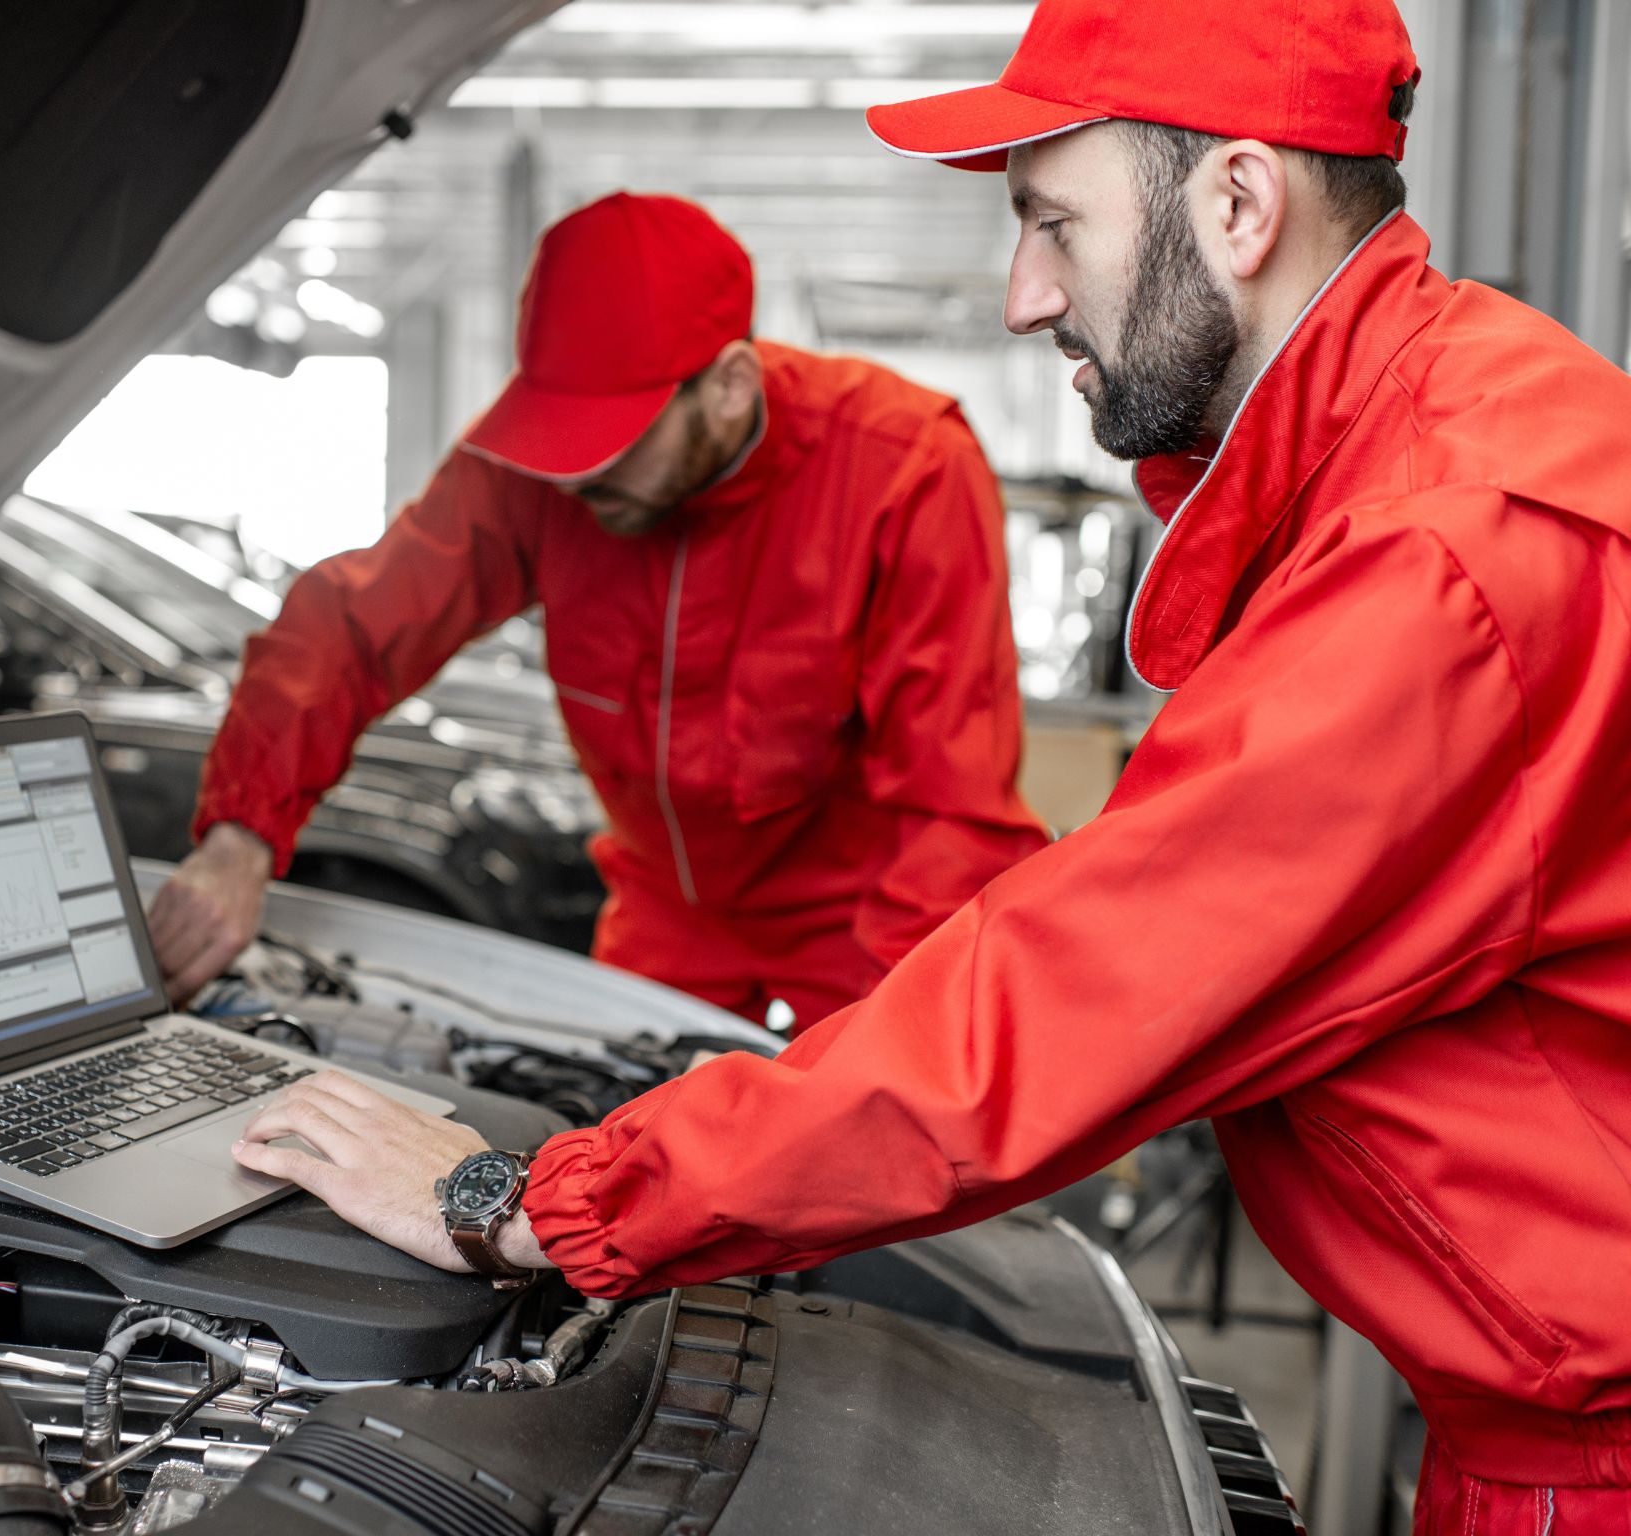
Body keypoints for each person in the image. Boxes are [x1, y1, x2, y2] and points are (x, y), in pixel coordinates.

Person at [224, 0, 1631, 1525]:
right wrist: (240, 830)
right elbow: (355, 622)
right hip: (705, 992)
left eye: (1052, 221)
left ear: (1240, 205)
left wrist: (526, 1203)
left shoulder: (1439, 553)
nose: (1024, 296)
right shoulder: (1433, 445)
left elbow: (1059, 992)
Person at [149, 191, 1047, 1031]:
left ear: (730, 385)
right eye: (559, 437)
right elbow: (352, 628)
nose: (575, 478)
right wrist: (238, 838)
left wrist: (894, 1043)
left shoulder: (902, 470)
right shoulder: (539, 471)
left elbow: (948, 810)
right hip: (665, 914)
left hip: (861, 920)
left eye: (613, 442)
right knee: (610, 1119)